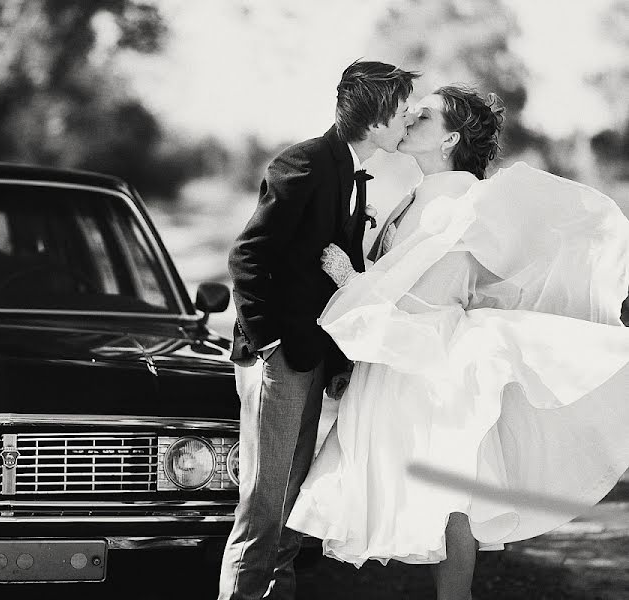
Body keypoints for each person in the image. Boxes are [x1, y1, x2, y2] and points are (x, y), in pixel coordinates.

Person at [286, 85, 629, 600]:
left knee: (450, 488)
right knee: (431, 486)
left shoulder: (461, 198)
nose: (408, 116)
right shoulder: (421, 193)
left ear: (448, 138)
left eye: (422, 115)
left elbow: (415, 285)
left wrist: (348, 282)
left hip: (429, 357)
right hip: (402, 352)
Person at [219, 60, 419, 600]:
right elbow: (247, 258)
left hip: (311, 356)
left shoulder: (351, 171)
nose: (408, 121)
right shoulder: (304, 163)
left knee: (291, 498)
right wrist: (271, 344)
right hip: (279, 357)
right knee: (263, 503)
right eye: (401, 112)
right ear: (376, 120)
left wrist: (334, 361)